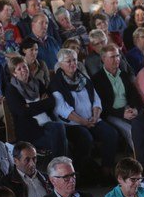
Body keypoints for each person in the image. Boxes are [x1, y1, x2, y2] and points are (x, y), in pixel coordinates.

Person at [50, 48, 119, 183]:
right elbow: (63, 110)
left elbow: (96, 99)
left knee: (111, 134)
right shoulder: (56, 83)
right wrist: (83, 122)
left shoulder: (83, 78)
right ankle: (81, 174)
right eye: (68, 61)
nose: (73, 64)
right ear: (60, 64)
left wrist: (95, 116)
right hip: (72, 124)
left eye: (75, 60)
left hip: (92, 119)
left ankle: (106, 171)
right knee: (85, 139)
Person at [5, 55, 67, 157]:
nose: (23, 70)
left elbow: (51, 101)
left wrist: (30, 106)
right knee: (59, 132)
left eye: (24, 67)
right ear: (14, 73)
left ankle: (62, 163)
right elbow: (22, 112)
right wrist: (42, 103)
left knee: (67, 131)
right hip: (31, 132)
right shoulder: (11, 90)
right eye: (19, 69)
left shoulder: (37, 82)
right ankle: (60, 162)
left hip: (48, 122)